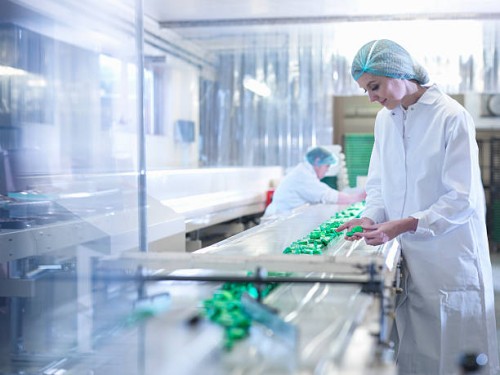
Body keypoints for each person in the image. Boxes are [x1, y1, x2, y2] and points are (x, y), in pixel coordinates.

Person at [337, 39, 499, 375]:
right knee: (413, 355)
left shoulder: (452, 116)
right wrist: (369, 218)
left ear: (398, 73)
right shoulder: (386, 120)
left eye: (374, 86)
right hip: (407, 257)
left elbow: (461, 199)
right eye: (367, 90)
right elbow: (379, 185)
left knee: (452, 353)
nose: (371, 97)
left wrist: (402, 224)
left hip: (449, 259)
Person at [263, 146, 365, 217]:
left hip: (286, 216)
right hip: (279, 218)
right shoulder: (303, 176)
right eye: (327, 166)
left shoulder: (305, 172)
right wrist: (356, 198)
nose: (327, 170)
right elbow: (327, 195)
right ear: (317, 161)